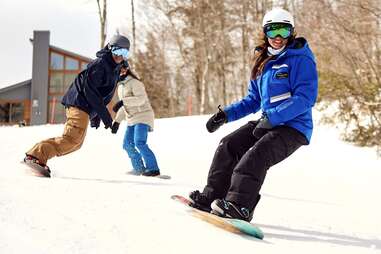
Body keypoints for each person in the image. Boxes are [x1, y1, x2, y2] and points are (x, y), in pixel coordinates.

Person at [189, 8, 318, 222]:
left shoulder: (300, 59)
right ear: (265, 32)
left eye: (284, 32)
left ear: (291, 33)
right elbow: (253, 100)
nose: (278, 38)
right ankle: (212, 196)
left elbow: (305, 98)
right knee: (228, 144)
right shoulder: (262, 62)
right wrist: (225, 115)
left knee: (256, 155)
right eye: (273, 31)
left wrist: (272, 118)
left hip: (294, 128)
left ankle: (240, 207)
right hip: (269, 122)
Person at [23, 35, 131, 177]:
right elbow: (91, 91)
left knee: (75, 143)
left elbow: (102, 92)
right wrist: (105, 116)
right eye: (117, 52)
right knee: (71, 139)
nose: (119, 56)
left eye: (124, 53)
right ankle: (36, 155)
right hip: (79, 103)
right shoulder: (100, 64)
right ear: (110, 49)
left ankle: (37, 155)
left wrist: (95, 116)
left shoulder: (114, 67)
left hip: (84, 107)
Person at [110, 62, 160, 177]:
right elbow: (125, 106)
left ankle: (153, 169)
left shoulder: (135, 82)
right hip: (131, 119)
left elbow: (140, 100)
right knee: (127, 144)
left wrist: (123, 101)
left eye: (122, 69)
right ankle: (139, 168)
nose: (120, 71)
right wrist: (117, 121)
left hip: (143, 116)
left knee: (139, 142)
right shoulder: (120, 86)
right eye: (117, 69)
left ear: (126, 69)